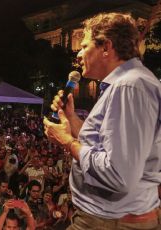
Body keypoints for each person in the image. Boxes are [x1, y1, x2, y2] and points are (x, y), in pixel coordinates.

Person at [43, 12, 161, 229]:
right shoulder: (125, 85)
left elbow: (118, 175)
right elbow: (104, 145)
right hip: (108, 219)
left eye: (85, 45)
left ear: (106, 47)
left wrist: (67, 142)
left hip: (109, 222)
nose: (78, 54)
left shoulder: (129, 87)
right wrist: (71, 118)